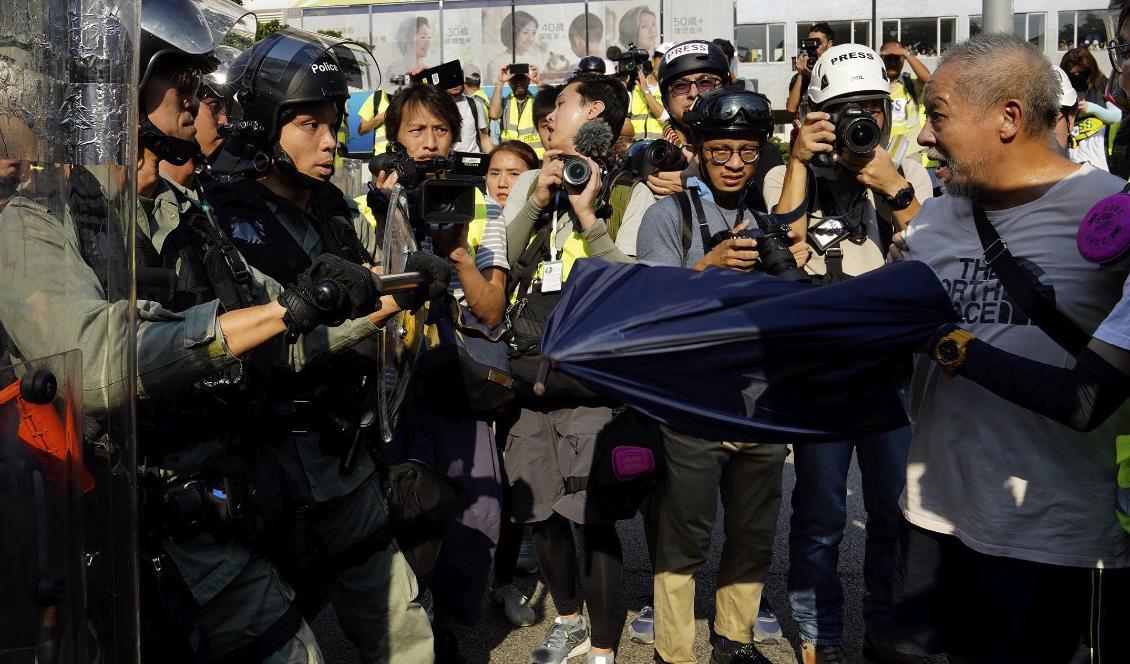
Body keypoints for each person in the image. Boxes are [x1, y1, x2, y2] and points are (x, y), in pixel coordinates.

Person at [0, 2, 442, 661]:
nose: (200, 101)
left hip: (215, 518)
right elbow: (93, 360)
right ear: (124, 88)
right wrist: (286, 310)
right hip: (109, 541)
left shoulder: (187, 214)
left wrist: (386, 293)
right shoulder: (35, 221)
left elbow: (282, 332)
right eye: (183, 83)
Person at [886, 33, 1130, 663]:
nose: (922, 136)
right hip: (932, 514)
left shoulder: (1109, 214)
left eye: (937, 115)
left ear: (1009, 118)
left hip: (1053, 535)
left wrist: (949, 345)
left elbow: (1092, 394)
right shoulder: (935, 220)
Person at [204, 29, 446, 663]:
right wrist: (380, 307)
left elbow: (368, 275)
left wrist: (410, 274)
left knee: (403, 625)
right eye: (309, 123)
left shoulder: (332, 207)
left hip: (343, 455)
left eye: (334, 122)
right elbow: (257, 342)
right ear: (261, 123)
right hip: (263, 466)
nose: (332, 140)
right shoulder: (220, 218)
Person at [761, 42, 932, 664]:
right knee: (819, 517)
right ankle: (817, 634)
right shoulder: (789, 174)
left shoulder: (903, 166)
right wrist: (802, 161)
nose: (863, 123)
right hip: (822, 377)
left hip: (888, 376)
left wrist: (893, 185)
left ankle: (884, 630)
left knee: (893, 515)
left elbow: (935, 260)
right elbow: (786, 249)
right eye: (846, 110)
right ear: (817, 113)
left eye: (873, 109)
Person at [635, 86, 811, 664]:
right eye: (721, 151)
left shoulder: (766, 219)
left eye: (746, 151)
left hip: (761, 402)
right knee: (684, 536)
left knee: (755, 532)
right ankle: (675, 652)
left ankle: (734, 640)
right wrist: (706, 266)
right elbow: (652, 312)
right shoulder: (668, 215)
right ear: (698, 150)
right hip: (694, 403)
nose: (735, 163)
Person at [367, 81, 511, 662]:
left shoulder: (484, 206)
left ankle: (450, 618)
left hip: (459, 373)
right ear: (395, 139)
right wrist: (386, 217)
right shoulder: (371, 202)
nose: (430, 143)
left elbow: (492, 309)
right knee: (397, 496)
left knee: (478, 504)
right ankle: (401, 617)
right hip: (392, 375)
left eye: (441, 129)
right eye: (416, 130)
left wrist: (455, 252)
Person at [501, 71, 635, 664]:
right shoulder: (533, 178)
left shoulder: (630, 185)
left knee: (593, 513)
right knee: (539, 510)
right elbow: (496, 261)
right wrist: (535, 197)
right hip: (529, 369)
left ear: (595, 110)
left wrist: (588, 213)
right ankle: (568, 618)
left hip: (590, 377)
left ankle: (604, 645)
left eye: (561, 104)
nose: (548, 116)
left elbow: (633, 283)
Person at [1062, 47, 1122, 171]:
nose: (1077, 76)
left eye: (1081, 72)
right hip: (1070, 152)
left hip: (1098, 151)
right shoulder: (1063, 89)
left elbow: (1116, 116)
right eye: (1072, 74)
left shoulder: (1103, 85)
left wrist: (1092, 108)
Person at [878, 40, 932, 162]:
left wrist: (906, 53)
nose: (892, 62)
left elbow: (929, 80)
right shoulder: (874, 85)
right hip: (881, 153)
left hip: (909, 154)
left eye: (897, 58)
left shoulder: (909, 82)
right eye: (888, 58)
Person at [491, 65, 544, 157]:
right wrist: (499, 83)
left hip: (534, 157)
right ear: (509, 82)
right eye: (515, 80)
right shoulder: (504, 102)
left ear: (529, 80)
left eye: (522, 79)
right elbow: (494, 115)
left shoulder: (537, 102)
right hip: (510, 156)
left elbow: (548, 107)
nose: (519, 83)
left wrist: (539, 82)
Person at [786, 23, 835, 116]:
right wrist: (800, 74)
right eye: (810, 42)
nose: (814, 46)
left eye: (818, 42)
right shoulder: (799, 76)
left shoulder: (834, 69)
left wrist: (811, 75)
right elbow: (791, 108)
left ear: (829, 43)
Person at [446, 62, 492, 153]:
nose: (455, 83)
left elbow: (484, 138)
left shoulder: (475, 104)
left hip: (473, 162)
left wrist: (492, 160)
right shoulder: (436, 107)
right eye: (450, 80)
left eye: (457, 78)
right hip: (447, 164)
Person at [489, 11, 542, 83]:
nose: (531, 38)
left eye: (533, 33)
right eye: (525, 32)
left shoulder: (536, 63)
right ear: (511, 33)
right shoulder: (496, 64)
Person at [357, 86, 394, 156]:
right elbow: (361, 129)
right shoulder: (376, 97)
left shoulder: (411, 96)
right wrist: (380, 118)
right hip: (382, 156)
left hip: (407, 154)